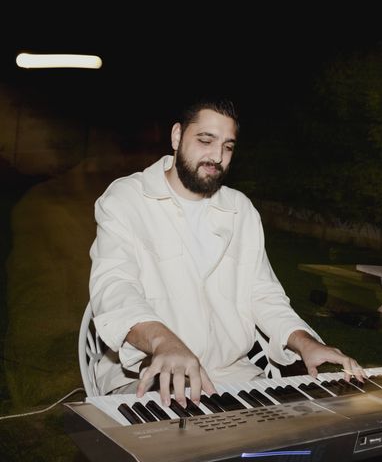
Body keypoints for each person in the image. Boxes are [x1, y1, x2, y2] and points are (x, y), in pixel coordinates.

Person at [88, 98, 363, 408]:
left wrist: (306, 343)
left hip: (234, 378)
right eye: (205, 140)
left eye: (228, 147)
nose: (216, 157)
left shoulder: (240, 210)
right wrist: (163, 341)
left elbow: (264, 295)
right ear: (177, 136)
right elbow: (114, 287)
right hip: (145, 377)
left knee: (301, 441)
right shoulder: (126, 200)